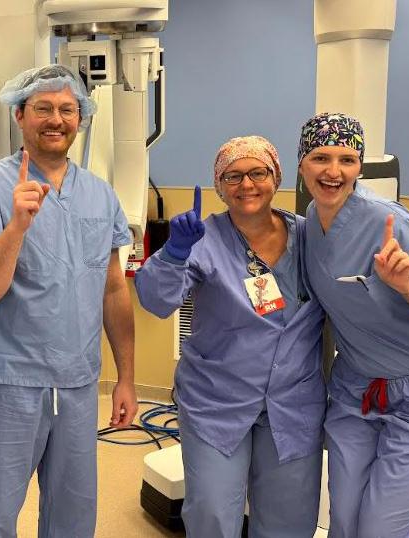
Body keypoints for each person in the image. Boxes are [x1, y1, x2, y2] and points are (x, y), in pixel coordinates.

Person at [0, 64, 137, 538]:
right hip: (9, 378)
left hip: (78, 380)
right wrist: (16, 226)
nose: (56, 119)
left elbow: (113, 289)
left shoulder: (100, 195)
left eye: (67, 109)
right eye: (43, 108)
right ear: (19, 115)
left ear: (81, 118)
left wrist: (126, 378)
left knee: (73, 514)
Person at [135, 136, 326, 537]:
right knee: (213, 514)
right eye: (233, 176)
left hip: (292, 403)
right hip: (217, 400)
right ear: (219, 186)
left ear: (276, 178)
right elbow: (156, 300)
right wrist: (173, 253)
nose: (247, 184)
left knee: (289, 520)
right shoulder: (203, 240)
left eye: (258, 173)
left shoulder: (312, 237)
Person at [297, 112, 409, 537]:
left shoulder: (387, 221)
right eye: (321, 158)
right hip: (355, 390)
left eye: (347, 160)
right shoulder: (310, 222)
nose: (334, 171)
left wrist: (406, 286)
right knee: (343, 520)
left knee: (380, 530)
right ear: (302, 164)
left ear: (359, 167)